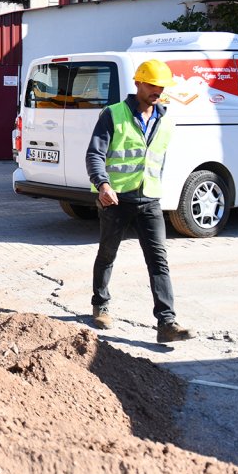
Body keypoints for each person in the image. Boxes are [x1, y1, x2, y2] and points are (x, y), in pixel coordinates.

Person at [85, 59, 194, 343]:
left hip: (149, 200)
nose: (157, 90)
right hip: (116, 199)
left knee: (159, 261)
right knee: (108, 253)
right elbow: (94, 154)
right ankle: (101, 303)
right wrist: (103, 184)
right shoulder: (113, 114)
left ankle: (166, 322)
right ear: (138, 83)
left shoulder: (165, 120)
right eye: (152, 85)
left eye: (161, 86)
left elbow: (156, 160)